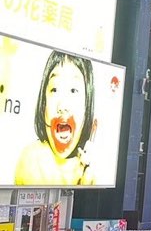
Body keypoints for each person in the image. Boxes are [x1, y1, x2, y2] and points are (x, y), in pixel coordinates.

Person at [14, 51, 97, 186]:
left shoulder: (91, 171)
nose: (62, 105)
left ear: (87, 107)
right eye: (54, 89)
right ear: (43, 103)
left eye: (73, 91)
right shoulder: (32, 159)